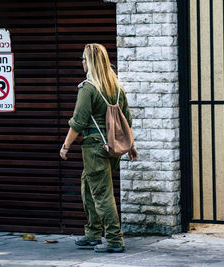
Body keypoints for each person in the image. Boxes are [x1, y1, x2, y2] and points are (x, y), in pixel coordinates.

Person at [59, 43, 138, 253]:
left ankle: (114, 239)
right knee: (89, 187)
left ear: (91, 62)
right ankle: (93, 233)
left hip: (94, 148)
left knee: (101, 193)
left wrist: (65, 146)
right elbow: (126, 120)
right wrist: (131, 147)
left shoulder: (89, 88)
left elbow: (78, 121)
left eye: (84, 59)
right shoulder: (117, 88)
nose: (82, 63)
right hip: (111, 147)